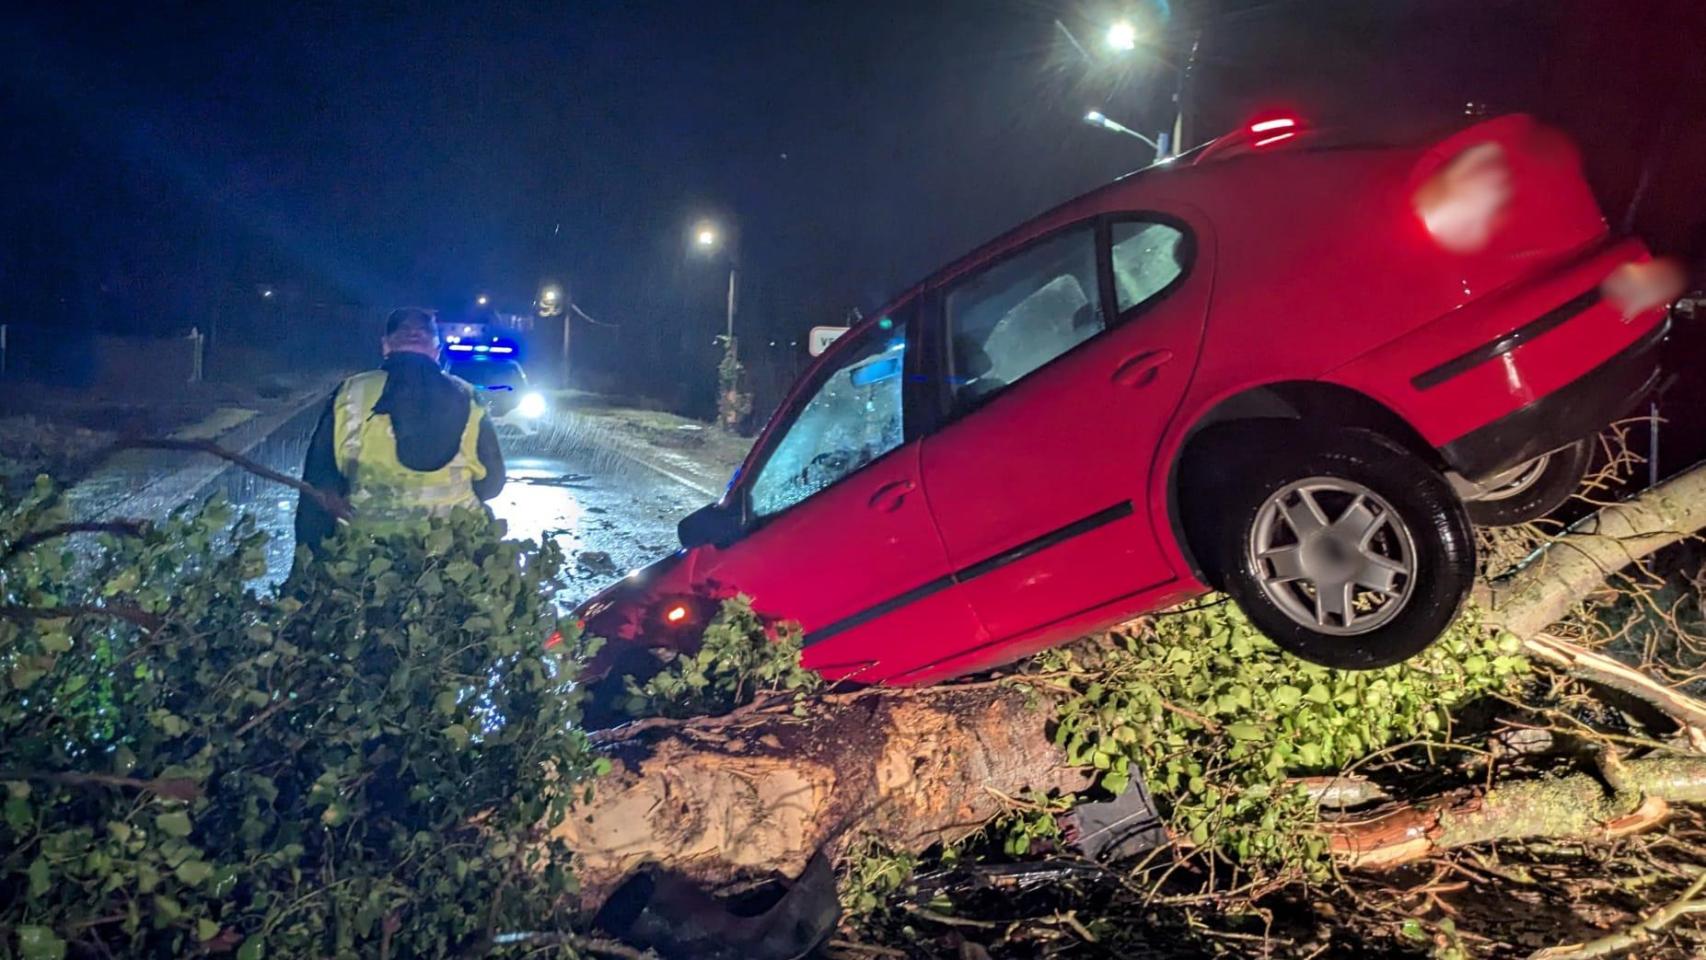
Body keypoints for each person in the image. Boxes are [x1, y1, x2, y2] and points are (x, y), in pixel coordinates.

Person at [294, 307, 506, 551]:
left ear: (386, 347)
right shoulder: (468, 395)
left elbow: (319, 483)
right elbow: (493, 483)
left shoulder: (352, 392)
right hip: (455, 550)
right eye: (407, 329)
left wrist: (307, 566)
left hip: (366, 554)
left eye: (420, 330)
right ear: (436, 352)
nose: (414, 331)